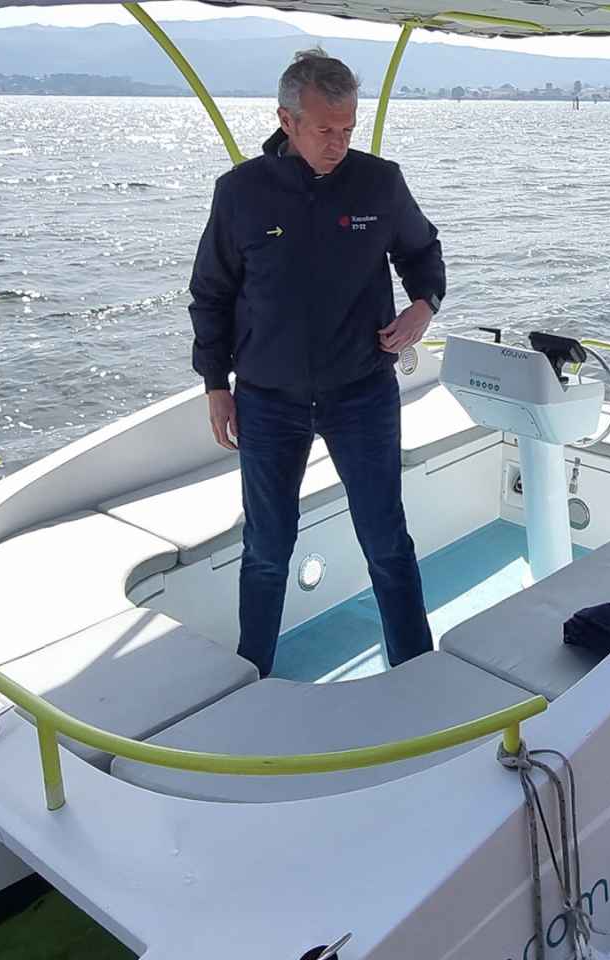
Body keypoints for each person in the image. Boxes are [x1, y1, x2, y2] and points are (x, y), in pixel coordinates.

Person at [188, 49, 446, 676]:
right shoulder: (241, 193)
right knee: (267, 547)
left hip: (361, 390)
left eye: (348, 129)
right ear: (287, 119)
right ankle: (254, 675)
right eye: (326, 130)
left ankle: (416, 672)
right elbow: (211, 294)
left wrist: (424, 305)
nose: (339, 142)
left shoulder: (379, 183)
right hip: (267, 399)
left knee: (386, 540)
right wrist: (215, 386)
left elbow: (423, 251)